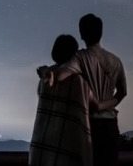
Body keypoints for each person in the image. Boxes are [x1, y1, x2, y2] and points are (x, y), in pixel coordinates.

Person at [42, 14, 127, 166]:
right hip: (111, 125)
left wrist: (46, 72)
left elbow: (60, 76)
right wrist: (104, 105)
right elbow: (122, 93)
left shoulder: (79, 57)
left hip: (87, 125)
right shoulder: (116, 60)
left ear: (81, 34)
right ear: (101, 33)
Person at [29, 34, 114, 166]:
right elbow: (95, 105)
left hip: (44, 147)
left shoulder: (45, 80)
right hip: (70, 149)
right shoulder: (80, 81)